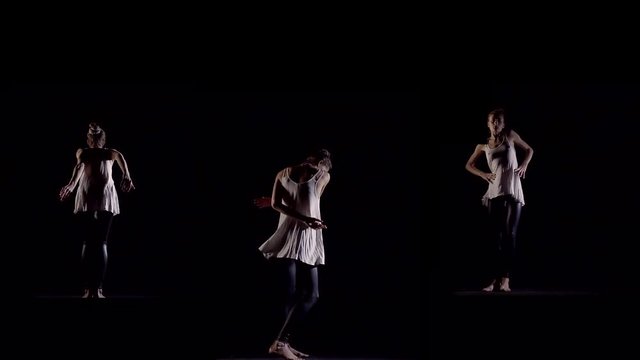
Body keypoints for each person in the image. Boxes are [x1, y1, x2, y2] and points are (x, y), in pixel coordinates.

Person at [255, 149, 332, 360]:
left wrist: (283, 204)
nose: (319, 171)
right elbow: (311, 205)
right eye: (320, 167)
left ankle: (282, 343)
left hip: (294, 236)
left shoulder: (283, 173)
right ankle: (281, 343)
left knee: (297, 294)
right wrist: (308, 220)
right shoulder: (322, 176)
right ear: (320, 164)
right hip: (303, 237)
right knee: (305, 294)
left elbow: (279, 204)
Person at [59, 122, 135, 299]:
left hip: (105, 197)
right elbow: (79, 167)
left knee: (100, 242)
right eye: (91, 136)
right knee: (89, 242)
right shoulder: (83, 152)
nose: (94, 139)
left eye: (96, 136)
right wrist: (71, 185)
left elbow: (121, 158)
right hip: (86, 196)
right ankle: (88, 289)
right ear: (88, 138)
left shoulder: (110, 152)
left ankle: (98, 289)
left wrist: (127, 175)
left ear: (102, 138)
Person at [465, 109, 533, 292]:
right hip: (495, 191)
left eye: (499, 121)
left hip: (512, 189)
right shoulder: (483, 146)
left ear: (503, 124)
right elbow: (468, 165)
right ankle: (494, 280)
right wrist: (483, 174)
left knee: (510, 234)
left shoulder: (510, 136)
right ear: (488, 124)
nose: (495, 124)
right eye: (492, 121)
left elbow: (529, 149)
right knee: (495, 237)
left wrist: (524, 164)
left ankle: (506, 280)